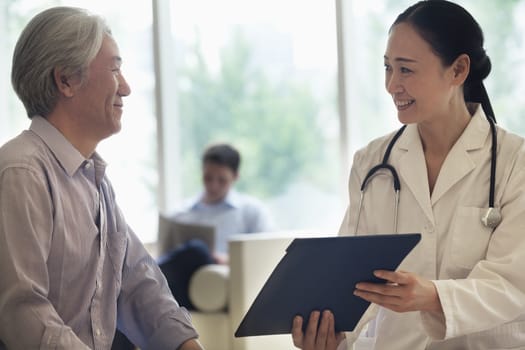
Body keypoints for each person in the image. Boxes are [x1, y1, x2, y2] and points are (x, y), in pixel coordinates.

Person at [291, 1, 525, 349]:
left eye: (406, 70)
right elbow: (351, 283)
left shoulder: (514, 163)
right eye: (387, 68)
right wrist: (332, 336)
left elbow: (513, 284)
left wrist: (433, 296)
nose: (391, 85)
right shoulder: (372, 163)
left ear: (458, 70)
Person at [0, 7, 203, 350]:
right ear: (65, 80)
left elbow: (140, 286)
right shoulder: (22, 172)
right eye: (115, 69)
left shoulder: (96, 182)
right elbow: (23, 313)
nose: (126, 87)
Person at [157, 143, 273, 309]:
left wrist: (229, 260)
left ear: (235, 177)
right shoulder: (181, 212)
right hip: (179, 284)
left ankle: (144, 275)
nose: (213, 185)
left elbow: (268, 254)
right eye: (208, 178)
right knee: (192, 252)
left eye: (222, 180)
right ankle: (144, 278)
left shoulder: (251, 211)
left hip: (219, 283)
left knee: (198, 250)